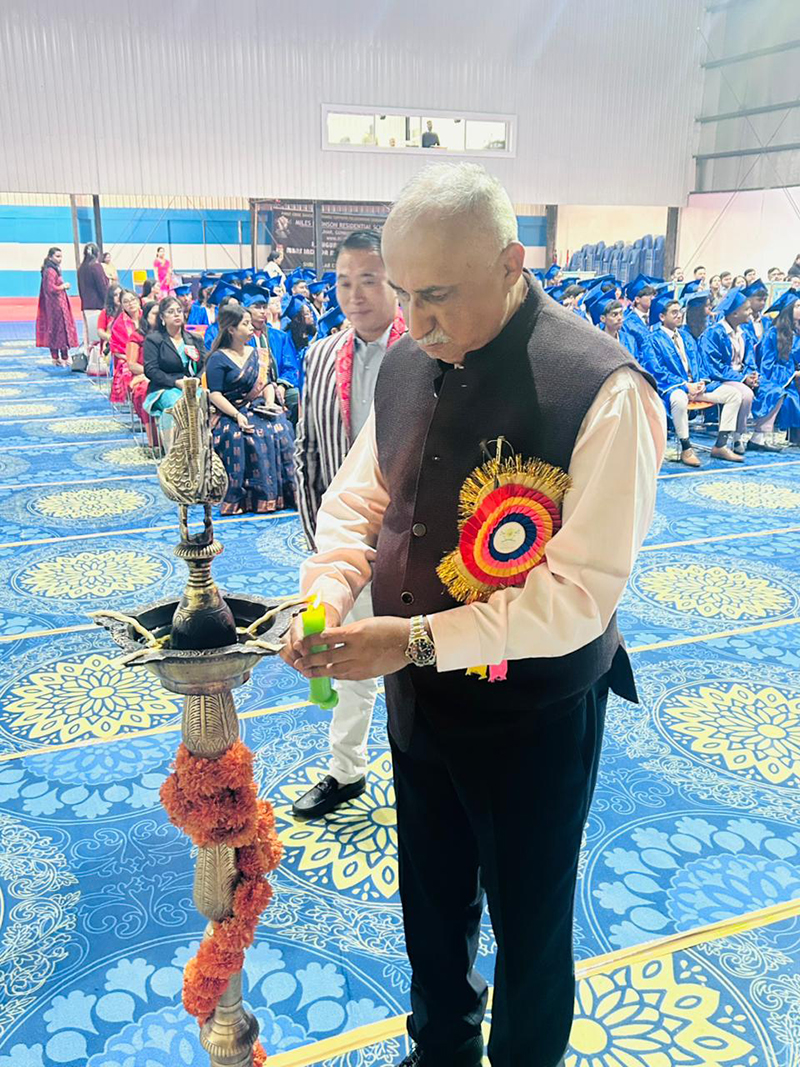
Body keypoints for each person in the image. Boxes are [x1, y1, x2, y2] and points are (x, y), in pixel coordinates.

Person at [281, 162, 665, 1067]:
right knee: (431, 898)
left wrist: (414, 638)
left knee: (531, 925)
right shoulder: (407, 361)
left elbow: (578, 597)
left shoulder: (602, 389)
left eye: (439, 296)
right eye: (404, 292)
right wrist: (326, 590)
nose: (414, 323)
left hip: (534, 713)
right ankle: (441, 1049)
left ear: (510, 263)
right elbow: (361, 499)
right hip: (422, 701)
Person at [292, 230, 406, 819]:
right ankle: (346, 771)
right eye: (343, 282)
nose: (355, 295)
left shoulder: (425, 353)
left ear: (395, 283)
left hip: (413, 544)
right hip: (346, 542)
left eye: (369, 280)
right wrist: (322, 540)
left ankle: (424, 779)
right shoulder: (319, 358)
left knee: (420, 661)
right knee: (346, 659)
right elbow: (307, 453)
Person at [206, 304, 294, 514]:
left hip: (258, 407)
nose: (251, 327)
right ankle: (247, 498)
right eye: (245, 324)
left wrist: (270, 404)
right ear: (231, 329)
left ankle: (285, 494)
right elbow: (214, 394)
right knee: (243, 434)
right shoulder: (218, 358)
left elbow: (267, 384)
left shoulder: (258, 354)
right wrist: (237, 415)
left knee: (281, 427)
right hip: (230, 411)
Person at [647, 295, 744, 467]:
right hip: (674, 388)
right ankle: (686, 448)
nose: (679, 315)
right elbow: (656, 371)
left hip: (696, 388)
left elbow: (699, 363)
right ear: (662, 317)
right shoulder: (653, 340)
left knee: (734, 395)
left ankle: (720, 445)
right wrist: (686, 386)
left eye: (680, 311)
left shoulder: (686, 337)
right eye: (674, 312)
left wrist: (701, 383)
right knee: (679, 399)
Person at [699, 287, 757, 459]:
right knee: (746, 394)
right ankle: (737, 437)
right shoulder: (714, 333)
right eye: (746, 309)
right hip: (720, 378)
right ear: (734, 313)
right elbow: (714, 367)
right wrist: (742, 378)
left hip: (739, 377)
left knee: (771, 389)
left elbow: (749, 360)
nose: (750, 312)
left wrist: (752, 374)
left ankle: (759, 437)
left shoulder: (744, 333)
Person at [143, 296, 205, 448]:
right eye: (171, 312)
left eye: (179, 311)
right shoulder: (154, 340)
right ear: (162, 317)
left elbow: (205, 364)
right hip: (165, 388)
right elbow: (151, 370)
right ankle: (177, 451)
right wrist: (175, 382)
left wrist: (197, 379)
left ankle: (201, 448)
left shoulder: (194, 339)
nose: (176, 314)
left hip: (192, 386)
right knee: (178, 404)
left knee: (203, 402)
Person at [750, 293, 800, 449]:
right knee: (791, 398)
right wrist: (793, 374)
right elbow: (767, 366)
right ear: (788, 309)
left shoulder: (798, 332)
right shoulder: (774, 333)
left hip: (795, 378)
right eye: (798, 306)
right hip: (780, 380)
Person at [35, 246, 78, 366]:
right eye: (57, 256)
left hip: (59, 305)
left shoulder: (54, 269)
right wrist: (63, 286)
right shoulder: (50, 271)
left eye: (61, 256)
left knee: (58, 330)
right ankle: (60, 357)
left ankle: (60, 357)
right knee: (58, 330)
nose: (60, 259)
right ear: (50, 257)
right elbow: (50, 288)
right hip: (55, 307)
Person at [127, 299, 159, 438]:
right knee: (145, 390)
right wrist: (151, 373)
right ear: (146, 316)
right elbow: (132, 365)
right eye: (155, 314)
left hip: (164, 374)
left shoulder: (167, 334)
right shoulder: (137, 336)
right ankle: (154, 438)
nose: (158, 317)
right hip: (142, 374)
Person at [110, 290, 142, 403]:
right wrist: (131, 360)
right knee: (127, 371)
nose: (130, 303)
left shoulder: (148, 317)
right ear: (122, 305)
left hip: (148, 355)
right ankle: (136, 399)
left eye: (133, 300)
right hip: (127, 358)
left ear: (138, 301)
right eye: (126, 302)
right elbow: (115, 350)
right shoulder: (118, 324)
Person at [280, 296, 316, 397]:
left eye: (311, 312)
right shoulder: (289, 337)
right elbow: (291, 362)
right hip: (298, 376)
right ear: (297, 318)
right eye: (307, 314)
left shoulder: (313, 333)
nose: (311, 315)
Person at [77, 242, 109, 347]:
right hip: (97, 305)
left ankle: (87, 352)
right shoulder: (96, 267)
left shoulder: (81, 268)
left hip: (86, 305)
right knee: (96, 335)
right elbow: (102, 287)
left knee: (88, 333)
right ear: (97, 254)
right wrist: (107, 301)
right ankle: (96, 355)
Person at [620, 274, 656, 359]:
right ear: (637, 299)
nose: (653, 298)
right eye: (649, 295)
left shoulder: (657, 320)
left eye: (654, 295)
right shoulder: (627, 323)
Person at [742, 278, 770, 356]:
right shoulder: (742, 322)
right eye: (759, 300)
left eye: (765, 300)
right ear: (748, 300)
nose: (763, 303)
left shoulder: (767, 321)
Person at [97, 284, 122, 348]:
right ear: (111, 298)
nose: (118, 297)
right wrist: (110, 337)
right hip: (110, 343)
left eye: (120, 294)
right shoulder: (105, 312)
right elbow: (100, 332)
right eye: (115, 295)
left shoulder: (127, 311)